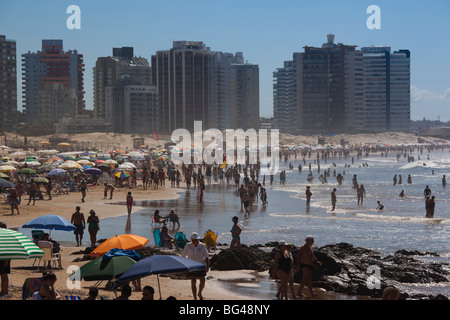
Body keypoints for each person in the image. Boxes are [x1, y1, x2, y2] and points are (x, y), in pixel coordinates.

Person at [181, 232, 209, 300]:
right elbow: (183, 256)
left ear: (198, 239)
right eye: (193, 240)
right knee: (193, 281)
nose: (195, 241)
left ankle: (199, 293)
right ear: (191, 240)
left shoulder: (202, 246)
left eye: (196, 240)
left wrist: (207, 266)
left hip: (201, 265)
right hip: (191, 266)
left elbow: (206, 257)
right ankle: (195, 297)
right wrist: (184, 265)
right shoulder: (188, 245)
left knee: (202, 280)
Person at [0, 222, 10, 297]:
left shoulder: (6, 236)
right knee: (4, 275)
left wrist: (6, 259)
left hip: (5, 256)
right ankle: (4, 291)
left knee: (4, 275)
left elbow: (8, 247)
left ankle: (4, 291)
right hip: (3, 256)